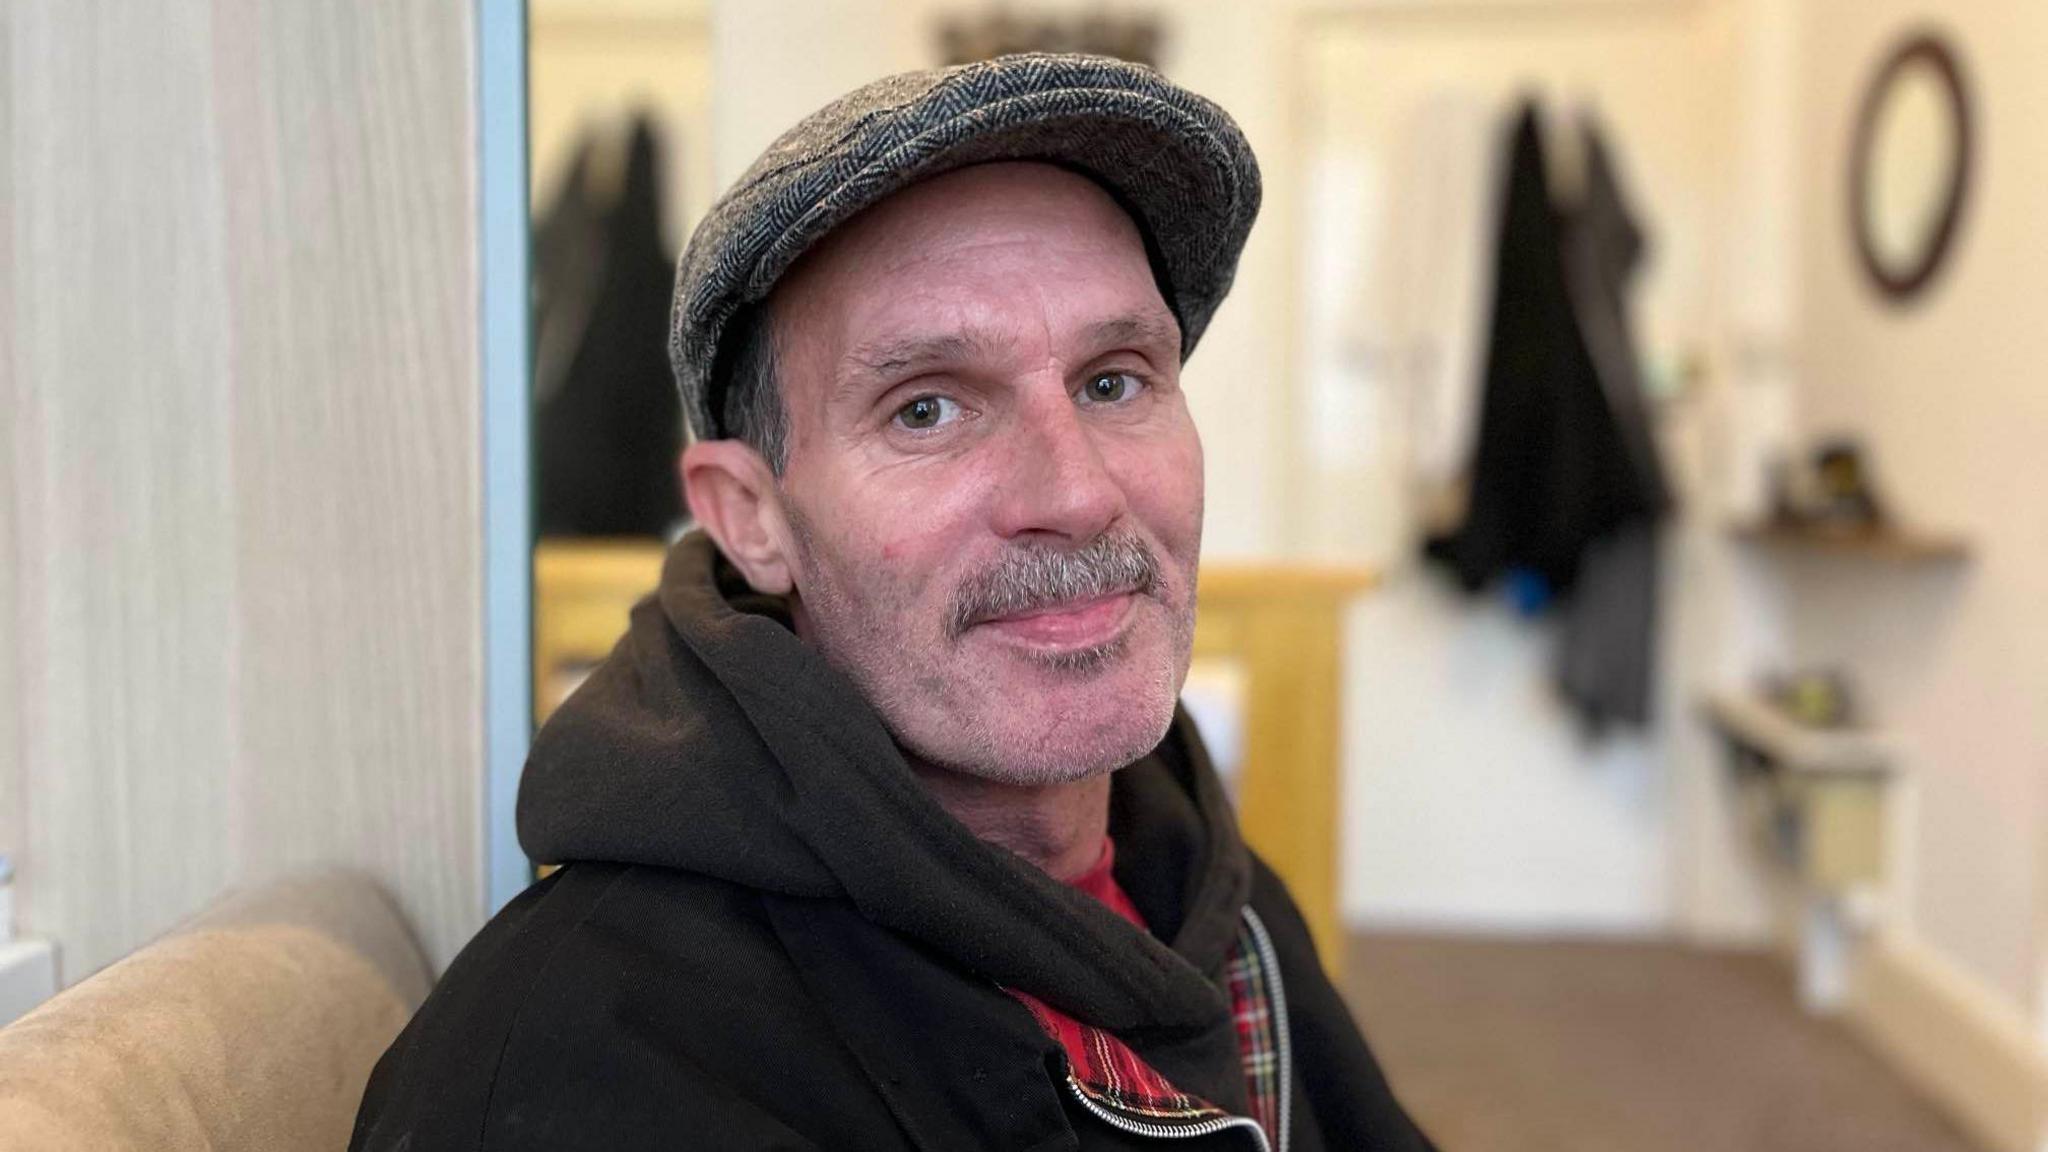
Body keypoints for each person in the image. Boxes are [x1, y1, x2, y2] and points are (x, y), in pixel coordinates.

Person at [351, 53, 1436, 1152]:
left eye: (1113, 380)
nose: (1074, 493)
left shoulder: (1212, 894)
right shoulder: (590, 1065)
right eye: (925, 410)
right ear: (750, 518)